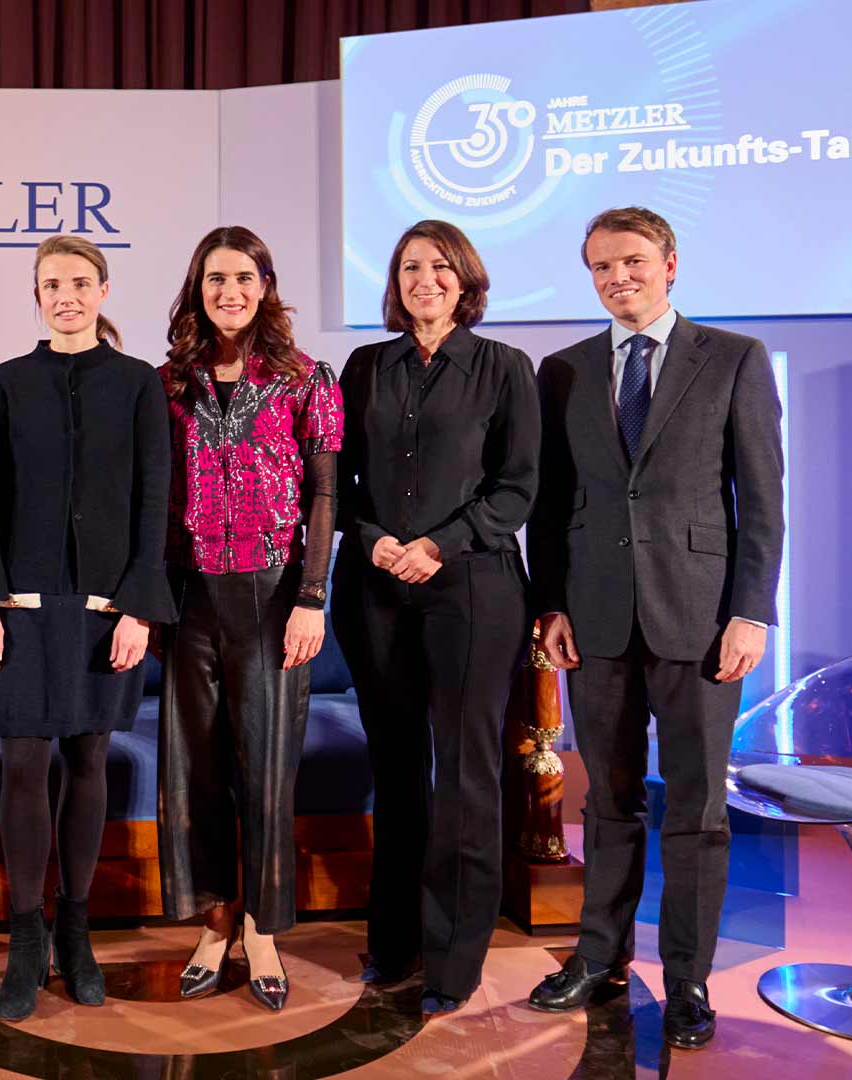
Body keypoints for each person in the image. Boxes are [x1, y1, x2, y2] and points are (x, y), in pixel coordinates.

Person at [526, 207, 783, 1050]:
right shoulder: (562, 371)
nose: (617, 278)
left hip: (703, 618)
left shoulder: (734, 359)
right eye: (601, 267)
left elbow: (762, 499)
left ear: (670, 264)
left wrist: (751, 609)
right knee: (608, 802)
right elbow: (553, 504)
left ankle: (688, 980)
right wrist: (551, 605)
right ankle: (598, 957)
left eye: (632, 261)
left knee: (699, 811)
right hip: (596, 620)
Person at [0, 235, 175, 1021]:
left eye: (80, 284)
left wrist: (141, 608)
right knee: (23, 767)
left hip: (106, 612)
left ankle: (77, 933)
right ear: (37, 296)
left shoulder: (138, 384)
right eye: (52, 285)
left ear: (105, 291)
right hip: (19, 607)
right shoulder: (4, 386)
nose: (67, 297)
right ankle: (26, 939)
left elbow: (155, 501)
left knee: (89, 764)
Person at [331, 219, 538, 1016]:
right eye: (411, 267)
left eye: (440, 267)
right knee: (396, 768)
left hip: (473, 593)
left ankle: (455, 959)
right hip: (378, 588)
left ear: (465, 279)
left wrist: (441, 545)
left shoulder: (504, 368)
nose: (425, 279)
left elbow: (518, 487)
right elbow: (339, 480)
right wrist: (379, 539)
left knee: (464, 774)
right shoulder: (365, 367)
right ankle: (394, 941)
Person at [157, 226, 343, 1013]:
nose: (228, 291)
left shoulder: (306, 378)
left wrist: (312, 594)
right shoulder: (170, 383)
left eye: (242, 277)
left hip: (274, 598)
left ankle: (264, 928)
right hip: (189, 595)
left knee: (266, 772)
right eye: (214, 279)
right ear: (197, 289)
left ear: (266, 284)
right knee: (194, 769)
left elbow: (328, 497)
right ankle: (216, 919)